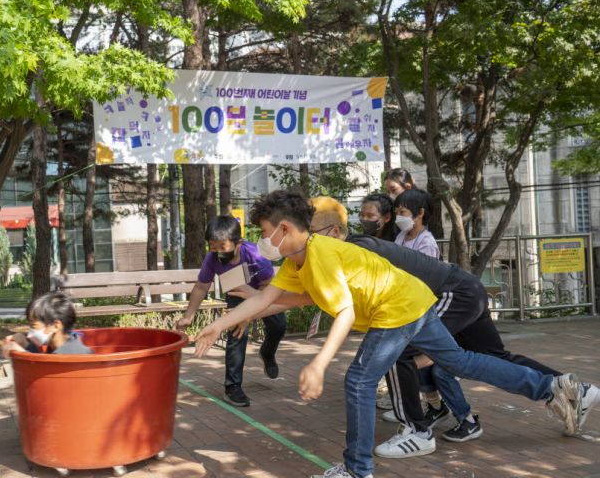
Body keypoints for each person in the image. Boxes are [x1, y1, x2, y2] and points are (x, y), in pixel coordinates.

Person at [194, 189, 586, 478]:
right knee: (460, 361)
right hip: (415, 301)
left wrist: (319, 362)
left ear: (283, 229)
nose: (263, 241)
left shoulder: (321, 255)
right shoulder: (299, 260)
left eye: (265, 232)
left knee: (359, 381)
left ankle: (356, 469)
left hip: (396, 310)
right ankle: (550, 387)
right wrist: (215, 325)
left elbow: (344, 310)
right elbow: (267, 300)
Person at [311, 196, 600, 459]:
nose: (309, 243)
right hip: (463, 288)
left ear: (335, 232)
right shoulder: (357, 246)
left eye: (312, 234)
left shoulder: (355, 251)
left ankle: (417, 430)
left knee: (399, 350)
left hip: (451, 293)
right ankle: (564, 387)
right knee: (488, 356)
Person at [176, 215, 287, 407]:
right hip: (237, 291)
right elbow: (202, 286)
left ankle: (267, 353)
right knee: (237, 334)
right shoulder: (212, 259)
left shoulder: (257, 255)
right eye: (212, 246)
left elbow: (269, 287)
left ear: (238, 243)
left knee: (279, 325)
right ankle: (233, 387)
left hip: (262, 291)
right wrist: (189, 315)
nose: (217, 252)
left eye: (223, 247)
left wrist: (251, 311)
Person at [0, 291, 93, 356]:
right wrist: (25, 343)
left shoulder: (69, 354)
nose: (29, 334)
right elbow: (42, 358)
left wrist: (22, 354)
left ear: (55, 326)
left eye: (34, 326)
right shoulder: (63, 344)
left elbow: (44, 375)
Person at [393, 188, 440, 259]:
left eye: (402, 212)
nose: (398, 217)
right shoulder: (402, 235)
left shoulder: (427, 244)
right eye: (396, 213)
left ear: (420, 213)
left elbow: (425, 269)